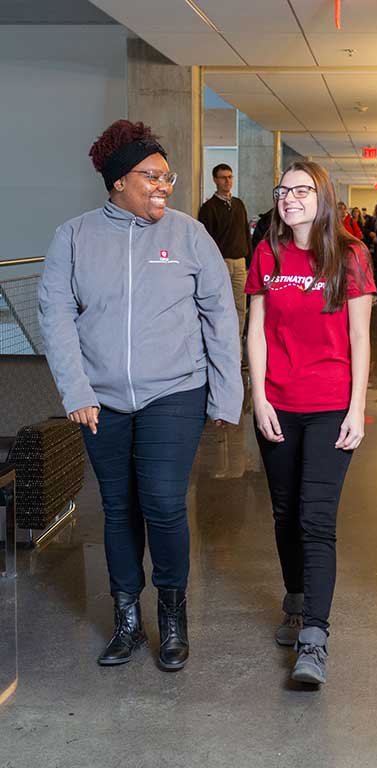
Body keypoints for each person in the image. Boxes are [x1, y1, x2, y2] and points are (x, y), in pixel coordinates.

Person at [38, 120, 243, 671]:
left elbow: (220, 314)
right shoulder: (74, 237)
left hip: (175, 390)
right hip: (100, 399)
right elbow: (54, 315)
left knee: (162, 501)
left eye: (166, 176)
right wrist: (76, 389)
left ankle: (172, 615)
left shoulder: (188, 234)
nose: (164, 186)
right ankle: (127, 617)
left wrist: (227, 395)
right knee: (118, 508)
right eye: (151, 176)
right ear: (117, 182)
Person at [246, 160, 375, 685]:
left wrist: (357, 409)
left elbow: (362, 339)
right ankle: (296, 598)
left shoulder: (349, 255)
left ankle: (314, 638)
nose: (290, 198)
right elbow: (255, 330)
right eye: (283, 190)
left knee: (315, 518)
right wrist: (258, 397)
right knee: (283, 513)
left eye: (302, 190)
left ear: (322, 197)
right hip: (277, 403)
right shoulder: (267, 252)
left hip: (329, 405)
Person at [198, 164, 251, 345]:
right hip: (221, 262)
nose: (227, 181)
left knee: (240, 308)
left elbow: (245, 232)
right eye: (223, 177)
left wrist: (249, 262)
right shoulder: (208, 208)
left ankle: (235, 345)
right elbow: (206, 240)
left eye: (230, 177)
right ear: (215, 180)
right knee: (221, 306)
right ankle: (220, 344)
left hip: (240, 263)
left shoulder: (239, 204)